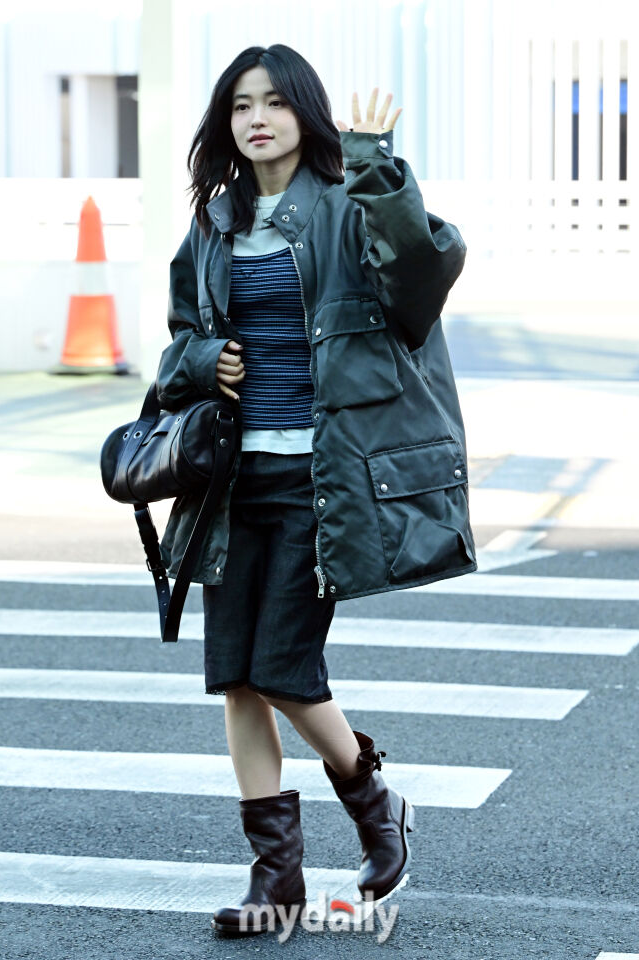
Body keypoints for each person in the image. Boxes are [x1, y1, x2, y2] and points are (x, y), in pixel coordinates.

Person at [155, 43, 476, 937]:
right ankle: (277, 883)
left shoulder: (347, 203)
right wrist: (201, 360)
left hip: (319, 477)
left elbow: (422, 278)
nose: (256, 119)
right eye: (240, 105)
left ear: (306, 112)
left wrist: (376, 166)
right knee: (237, 681)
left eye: (274, 102)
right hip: (229, 481)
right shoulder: (214, 222)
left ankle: (376, 802)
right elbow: (178, 339)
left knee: (282, 671)